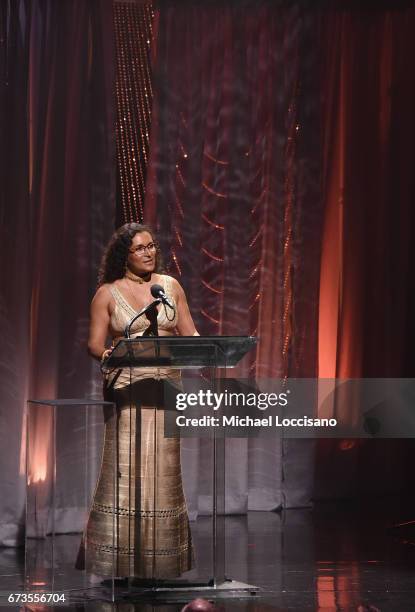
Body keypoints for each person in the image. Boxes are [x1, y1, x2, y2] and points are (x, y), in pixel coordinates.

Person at [77, 222, 199, 579]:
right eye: (141, 248)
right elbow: (94, 344)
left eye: (152, 246)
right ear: (124, 256)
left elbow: (189, 332)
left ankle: (161, 563)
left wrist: (207, 348)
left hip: (166, 390)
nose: (150, 253)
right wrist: (110, 353)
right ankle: (120, 562)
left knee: (163, 473)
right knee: (127, 472)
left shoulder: (170, 287)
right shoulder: (107, 293)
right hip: (128, 390)